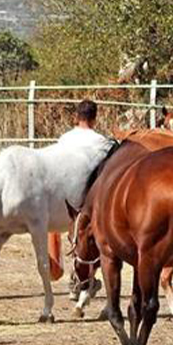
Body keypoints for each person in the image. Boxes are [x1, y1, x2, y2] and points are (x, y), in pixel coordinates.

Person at [50, 99, 103, 283]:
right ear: (95, 118)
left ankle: (76, 273)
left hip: (65, 199)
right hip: (89, 202)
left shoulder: (64, 139)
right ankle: (86, 276)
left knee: (73, 235)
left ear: (76, 117)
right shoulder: (101, 142)